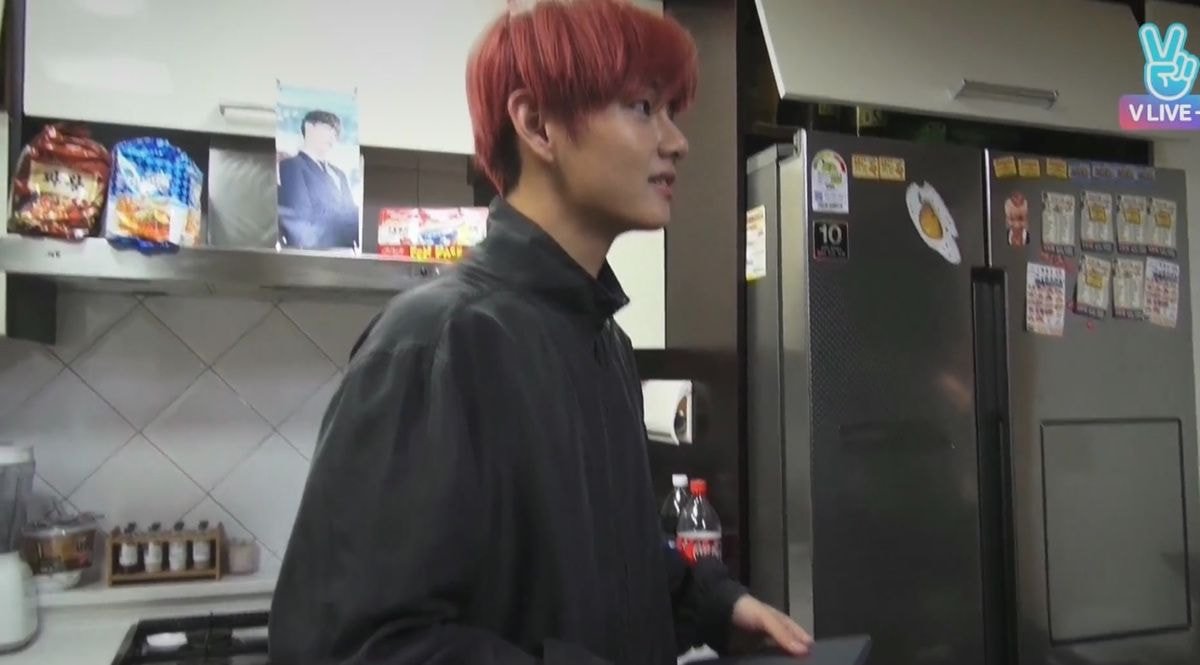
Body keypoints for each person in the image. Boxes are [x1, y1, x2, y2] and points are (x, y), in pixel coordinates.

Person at [267, 1, 814, 663]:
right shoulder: (439, 343)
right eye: (644, 107)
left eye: (671, 111)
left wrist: (714, 604)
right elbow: (355, 644)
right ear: (536, 124)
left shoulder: (602, 341)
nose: (676, 141)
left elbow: (600, 565)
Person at [277, 109, 361, 249]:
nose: (333, 137)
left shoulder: (339, 174)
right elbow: (300, 219)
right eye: (328, 129)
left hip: (347, 252)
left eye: (336, 133)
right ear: (309, 127)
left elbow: (351, 213)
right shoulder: (292, 166)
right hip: (317, 252)